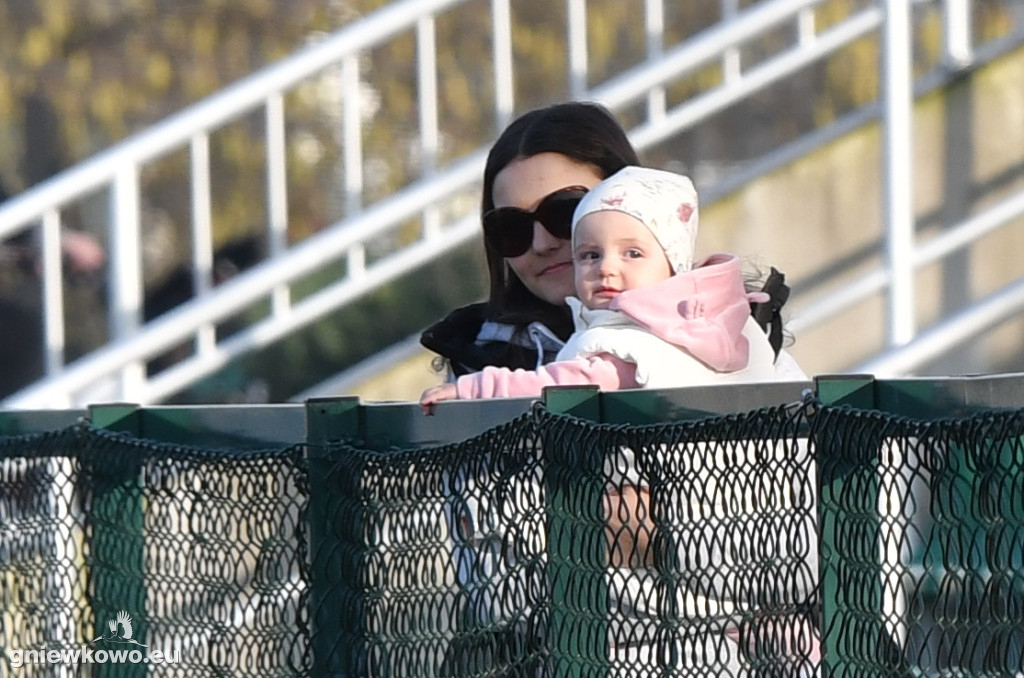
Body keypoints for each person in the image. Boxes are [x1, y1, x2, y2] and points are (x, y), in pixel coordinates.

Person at [420, 165, 780, 406]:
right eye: (590, 254)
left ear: (675, 264)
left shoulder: (630, 341)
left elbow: (564, 386)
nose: (607, 268)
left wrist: (474, 389)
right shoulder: (727, 323)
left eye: (633, 253)